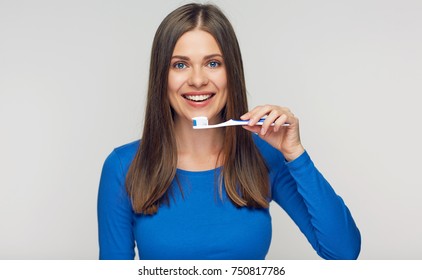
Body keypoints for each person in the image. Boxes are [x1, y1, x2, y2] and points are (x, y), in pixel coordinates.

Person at [97, 3, 361, 260]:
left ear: (231, 72)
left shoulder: (265, 156)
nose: (198, 80)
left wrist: (295, 153)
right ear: (161, 76)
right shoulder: (123, 166)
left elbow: (343, 253)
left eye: (213, 63)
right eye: (180, 65)